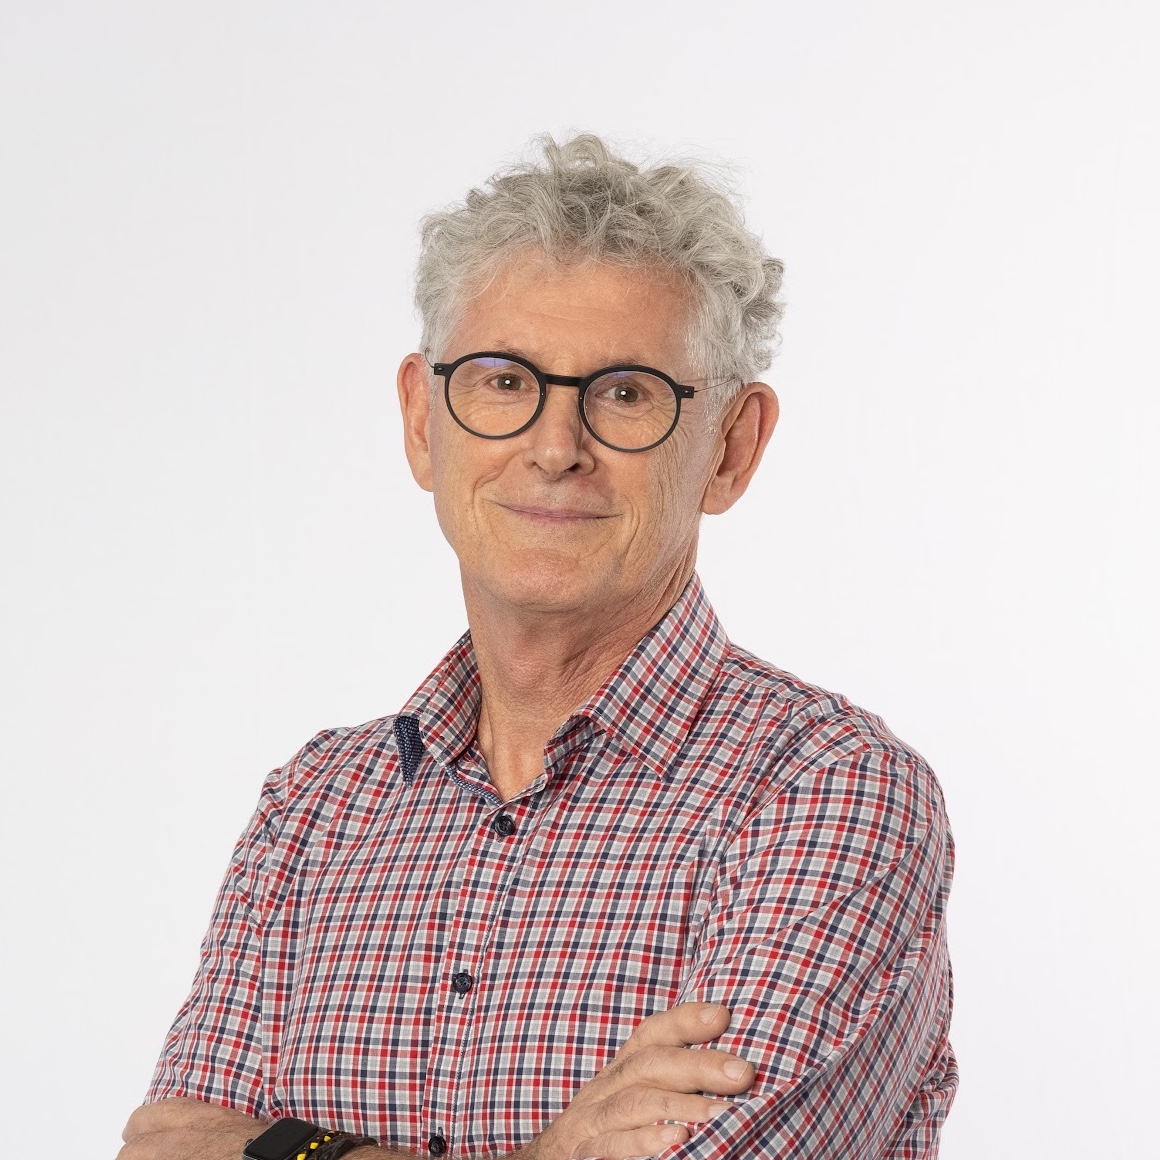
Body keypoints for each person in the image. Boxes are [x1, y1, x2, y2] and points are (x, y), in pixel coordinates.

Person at [119, 133, 956, 1160]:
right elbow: (161, 1147)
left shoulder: (829, 793)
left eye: (625, 392)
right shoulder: (315, 811)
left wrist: (276, 1146)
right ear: (425, 424)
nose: (555, 446)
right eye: (503, 380)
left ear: (730, 448)